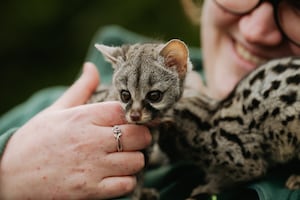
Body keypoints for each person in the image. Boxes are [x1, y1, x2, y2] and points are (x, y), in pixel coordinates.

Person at [1, 0, 300, 199]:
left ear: (178, 67)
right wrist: (8, 171)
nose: (256, 30)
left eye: (297, 5)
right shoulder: (49, 110)